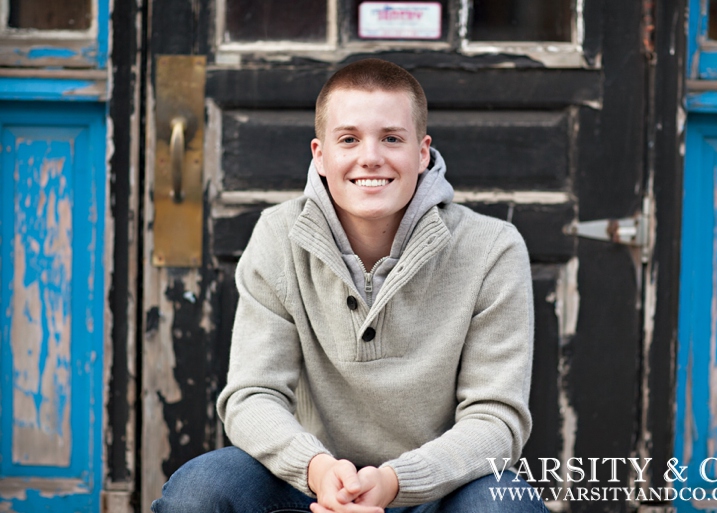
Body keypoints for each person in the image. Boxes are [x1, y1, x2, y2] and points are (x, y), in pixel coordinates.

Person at [152, 58, 543, 513]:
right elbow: (251, 395)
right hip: (310, 485)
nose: (370, 157)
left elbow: (496, 418)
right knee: (200, 490)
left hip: (439, 489)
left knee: (503, 504)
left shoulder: (491, 247)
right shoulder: (277, 235)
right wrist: (318, 471)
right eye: (349, 139)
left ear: (422, 152)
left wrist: (395, 482)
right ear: (320, 154)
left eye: (392, 138)